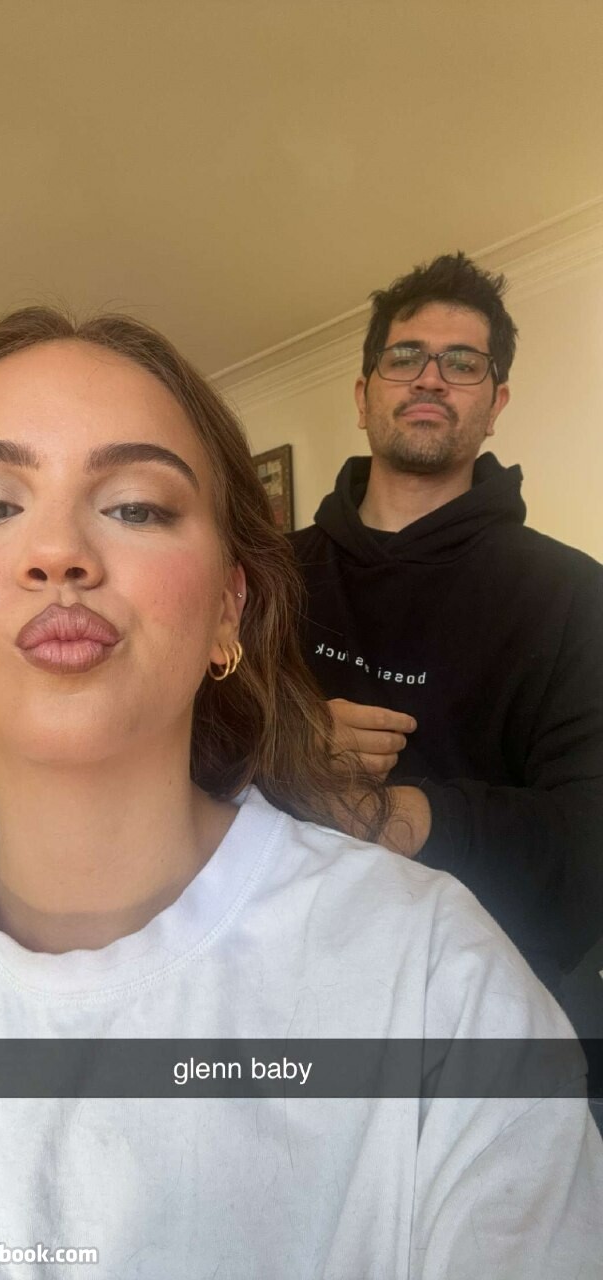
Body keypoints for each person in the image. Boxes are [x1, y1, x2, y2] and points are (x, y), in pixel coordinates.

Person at [0, 307, 601, 1279]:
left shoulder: (442, 984)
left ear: (232, 607)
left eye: (137, 506)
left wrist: (397, 818)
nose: (57, 553)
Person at [290, 253, 603, 1007]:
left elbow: (591, 845)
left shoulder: (575, 594)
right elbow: (165, 743)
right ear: (364, 395)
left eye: (462, 363)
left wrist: (397, 815)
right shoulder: (267, 573)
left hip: (481, 1004)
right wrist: (281, 742)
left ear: (495, 406)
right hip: (273, 975)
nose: (430, 378)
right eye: (405, 357)